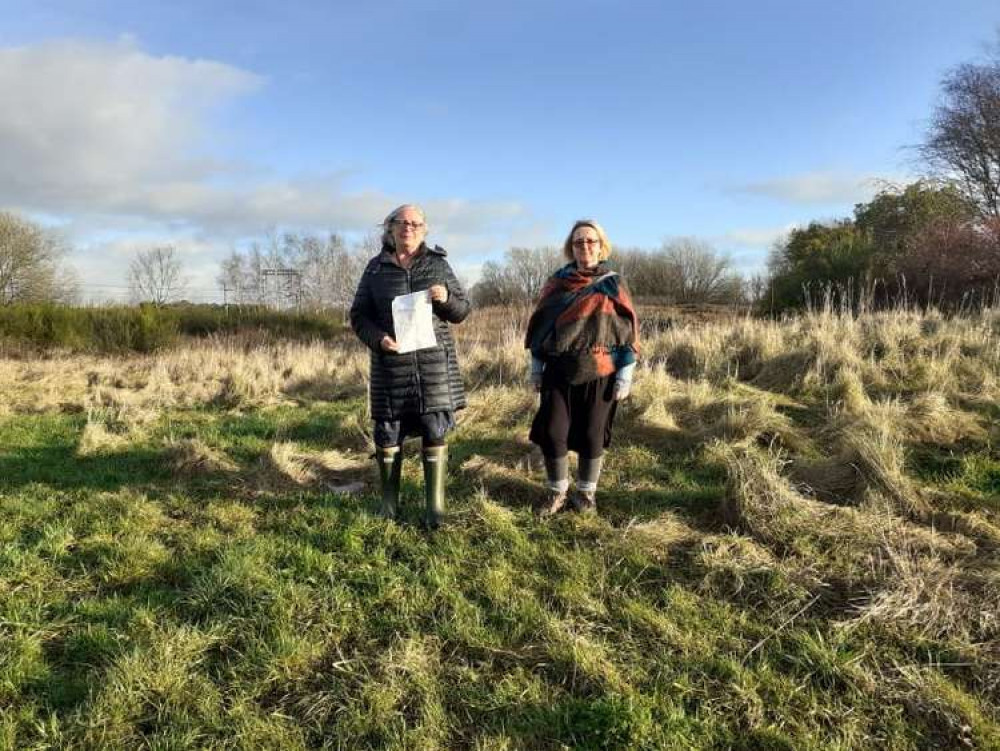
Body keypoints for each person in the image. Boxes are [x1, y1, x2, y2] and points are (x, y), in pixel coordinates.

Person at [350, 204, 470, 528]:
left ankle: (436, 510)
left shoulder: (438, 265)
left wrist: (445, 297)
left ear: (425, 230)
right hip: (391, 367)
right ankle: (389, 507)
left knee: (435, 430)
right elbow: (358, 316)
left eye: (416, 223)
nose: (409, 228)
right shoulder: (374, 270)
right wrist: (378, 339)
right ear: (389, 228)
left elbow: (461, 311)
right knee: (388, 432)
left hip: (433, 369)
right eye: (402, 222)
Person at [524, 219, 639, 516]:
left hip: (601, 370)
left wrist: (624, 376)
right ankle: (557, 492)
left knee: (592, 434)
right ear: (570, 247)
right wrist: (536, 369)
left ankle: (586, 495)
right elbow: (540, 330)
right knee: (552, 431)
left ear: (601, 246)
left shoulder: (614, 283)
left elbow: (628, 333)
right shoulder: (556, 284)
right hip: (558, 370)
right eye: (578, 242)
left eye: (591, 241)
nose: (585, 246)